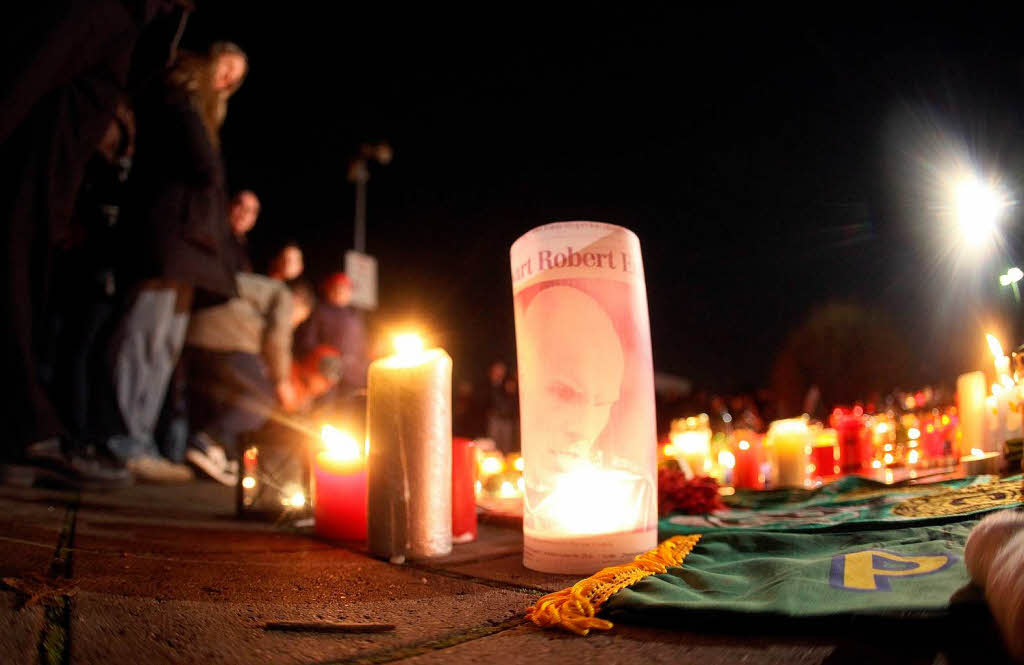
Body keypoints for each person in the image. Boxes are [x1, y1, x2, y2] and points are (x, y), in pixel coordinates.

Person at [0, 2, 189, 488]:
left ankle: (27, 429)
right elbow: (31, 71)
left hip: (50, 190)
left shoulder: (135, 21)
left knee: (27, 297)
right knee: (15, 292)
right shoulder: (108, 9)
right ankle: (28, 430)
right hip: (28, 181)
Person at [104, 41, 248, 483]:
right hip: (168, 237)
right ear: (208, 62)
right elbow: (201, 167)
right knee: (141, 339)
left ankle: (141, 439)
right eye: (225, 67)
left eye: (236, 78)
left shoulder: (203, 116)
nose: (226, 80)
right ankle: (122, 439)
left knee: (163, 348)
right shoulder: (179, 101)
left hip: (192, 248)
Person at [183, 275, 315, 484]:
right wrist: (282, 382)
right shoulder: (284, 295)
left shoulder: (257, 289)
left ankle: (216, 453)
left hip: (193, 335)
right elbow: (278, 337)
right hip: (228, 339)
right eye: (298, 320)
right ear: (300, 303)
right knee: (263, 399)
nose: (294, 325)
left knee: (229, 396)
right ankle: (208, 442)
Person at [294, 272, 368, 395]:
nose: (340, 292)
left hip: (353, 376)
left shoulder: (354, 316)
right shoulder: (319, 312)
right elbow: (307, 342)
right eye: (336, 288)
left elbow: (362, 345)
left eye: (344, 288)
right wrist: (322, 361)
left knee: (353, 409)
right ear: (328, 290)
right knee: (327, 411)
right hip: (326, 375)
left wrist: (363, 366)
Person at [226, 189, 259, 272]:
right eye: (240, 205)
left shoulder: (250, 252)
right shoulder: (212, 237)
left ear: (253, 220)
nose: (243, 214)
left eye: (250, 211)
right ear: (229, 206)